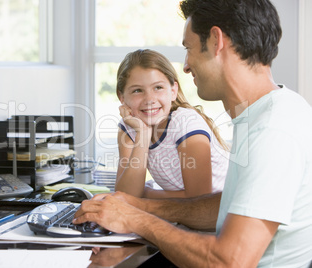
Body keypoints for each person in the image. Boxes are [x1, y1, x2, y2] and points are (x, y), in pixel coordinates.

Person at [74, 0, 312, 266]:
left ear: (215, 40)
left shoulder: (272, 130)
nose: (186, 66)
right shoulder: (273, 110)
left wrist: (135, 218)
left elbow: (228, 261)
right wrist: (132, 206)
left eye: (188, 49)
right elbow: (227, 208)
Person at [115, 49, 228, 199]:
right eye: (137, 90)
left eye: (158, 88)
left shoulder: (185, 123)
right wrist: (143, 134)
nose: (149, 99)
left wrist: (147, 193)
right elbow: (125, 196)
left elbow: (200, 200)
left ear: (173, 91)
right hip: (185, 215)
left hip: (221, 213)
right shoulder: (131, 126)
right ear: (121, 97)